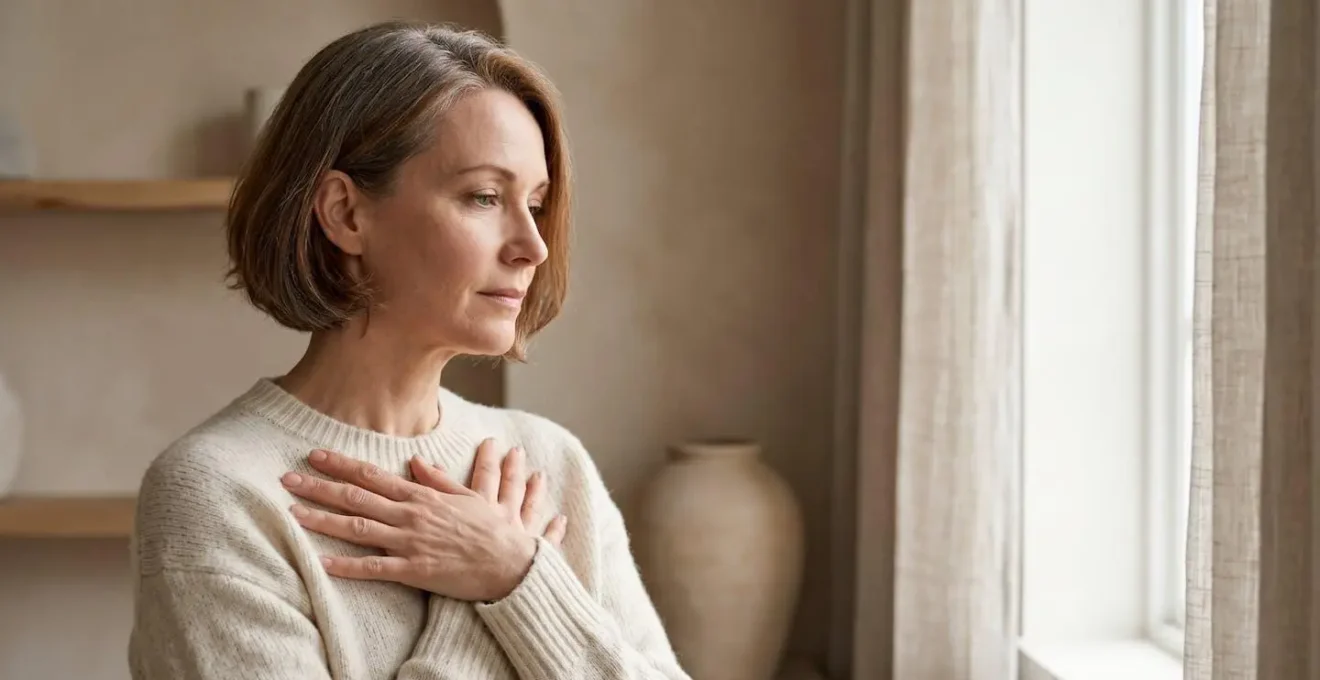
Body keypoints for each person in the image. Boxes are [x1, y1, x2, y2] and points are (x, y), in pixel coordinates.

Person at [128, 21, 690, 680]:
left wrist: (520, 575)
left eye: (535, 204)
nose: (532, 246)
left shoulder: (547, 462)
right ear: (345, 213)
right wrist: (484, 603)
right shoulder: (221, 492)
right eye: (484, 197)